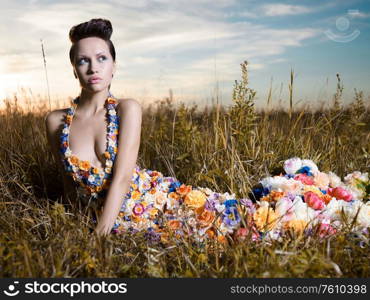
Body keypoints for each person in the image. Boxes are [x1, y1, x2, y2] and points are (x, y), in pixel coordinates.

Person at [44, 18, 369, 246]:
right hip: (113, 222)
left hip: (156, 203)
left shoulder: (127, 108)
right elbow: (66, 183)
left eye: (102, 58)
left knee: (247, 224)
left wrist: (98, 236)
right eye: (83, 60)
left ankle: (324, 205)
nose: (93, 67)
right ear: (74, 69)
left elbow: (124, 177)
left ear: (114, 65)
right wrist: (74, 225)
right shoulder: (57, 121)